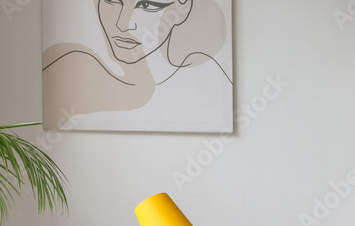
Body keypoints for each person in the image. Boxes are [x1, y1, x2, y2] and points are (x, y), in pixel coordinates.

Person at [42, 0, 232, 132]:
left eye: (146, 5)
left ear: (181, 8)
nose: (122, 24)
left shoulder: (206, 86)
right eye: (112, 1)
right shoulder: (67, 66)